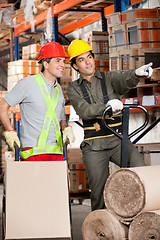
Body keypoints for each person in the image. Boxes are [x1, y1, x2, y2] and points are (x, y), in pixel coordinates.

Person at [66, 39, 153, 211]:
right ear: (75, 66)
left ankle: (141, 219)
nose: (88, 62)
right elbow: (84, 110)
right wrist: (105, 107)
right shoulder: (73, 88)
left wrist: (136, 73)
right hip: (94, 146)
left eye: (89, 57)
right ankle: (101, 230)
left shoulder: (109, 78)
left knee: (142, 175)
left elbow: (124, 79)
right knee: (98, 193)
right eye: (81, 60)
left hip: (118, 141)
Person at [0, 42, 75, 161]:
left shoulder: (58, 89)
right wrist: (9, 130)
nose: (62, 64)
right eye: (57, 60)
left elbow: (60, 118)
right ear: (45, 63)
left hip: (57, 152)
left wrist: (66, 128)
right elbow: (3, 105)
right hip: (33, 153)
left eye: (63, 61)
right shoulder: (27, 84)